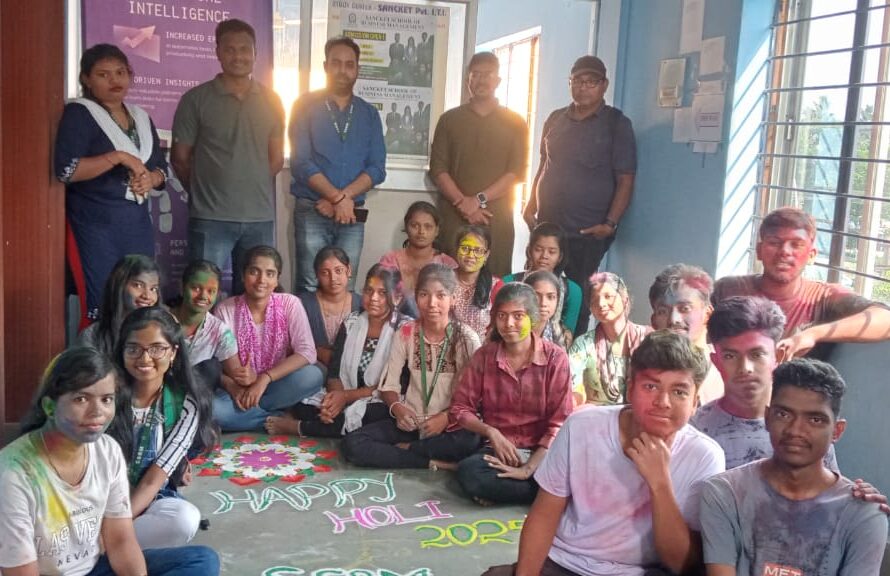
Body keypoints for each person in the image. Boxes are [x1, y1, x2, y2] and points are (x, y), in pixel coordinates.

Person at [484, 330, 725, 576]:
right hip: (564, 563)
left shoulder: (705, 457)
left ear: (695, 402)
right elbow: (544, 516)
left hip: (639, 571)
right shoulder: (583, 427)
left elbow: (680, 563)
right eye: (651, 386)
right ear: (630, 389)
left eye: (679, 392)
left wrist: (660, 483)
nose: (663, 401)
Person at [0, 347, 219, 576]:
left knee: (202, 561)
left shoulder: (107, 450)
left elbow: (120, 541)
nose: (98, 412)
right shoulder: (14, 473)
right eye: (81, 399)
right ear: (49, 407)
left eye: (106, 399)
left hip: (95, 568)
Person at [700, 358, 888, 575]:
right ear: (767, 418)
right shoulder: (724, 493)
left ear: (837, 431)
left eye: (815, 420)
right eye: (784, 414)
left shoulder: (864, 514)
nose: (795, 430)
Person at [523, 55, 636, 335]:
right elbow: (544, 164)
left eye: (590, 82)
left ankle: (570, 348)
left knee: (578, 294)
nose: (583, 87)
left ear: (604, 85)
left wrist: (609, 223)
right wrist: (531, 203)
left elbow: (626, 179)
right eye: (577, 81)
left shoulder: (616, 124)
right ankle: (534, 341)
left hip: (587, 230)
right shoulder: (555, 118)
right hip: (549, 224)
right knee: (538, 285)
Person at [171, 19, 285, 296]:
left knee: (254, 298)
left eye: (245, 49)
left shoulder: (273, 100)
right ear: (218, 53)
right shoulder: (195, 99)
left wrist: (249, 184)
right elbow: (180, 158)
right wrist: (205, 190)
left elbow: (276, 160)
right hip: (210, 218)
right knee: (201, 295)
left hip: (258, 219)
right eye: (230, 49)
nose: (238, 56)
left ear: (255, 53)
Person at [55, 44, 167, 323]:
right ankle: (99, 352)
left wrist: (150, 178)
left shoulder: (141, 117)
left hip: (136, 223)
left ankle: (136, 351)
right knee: (104, 301)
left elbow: (161, 170)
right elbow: (67, 170)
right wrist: (117, 157)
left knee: (142, 299)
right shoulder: (80, 113)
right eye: (103, 74)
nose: (114, 80)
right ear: (86, 79)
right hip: (95, 224)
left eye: (120, 72)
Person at [342, 263, 482, 469]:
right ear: (416, 298)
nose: (432, 303)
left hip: (449, 425)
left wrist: (445, 417)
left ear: (453, 299)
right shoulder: (406, 333)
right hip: (412, 423)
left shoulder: (467, 339)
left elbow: (476, 396)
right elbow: (389, 385)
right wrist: (398, 408)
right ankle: (430, 461)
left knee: (470, 441)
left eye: (441, 295)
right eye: (424, 295)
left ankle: (407, 450)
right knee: (353, 444)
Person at [449, 282, 573, 505]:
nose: (508, 324)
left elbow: (559, 424)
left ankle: (511, 489)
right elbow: (460, 408)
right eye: (502, 316)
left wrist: (528, 469)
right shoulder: (484, 356)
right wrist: (491, 432)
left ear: (533, 318)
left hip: (543, 453)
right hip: (499, 452)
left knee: (574, 471)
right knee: (470, 472)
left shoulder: (555, 358)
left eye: (518, 316)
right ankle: (544, 494)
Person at [712, 207, 890, 360]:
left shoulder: (822, 298)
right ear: (759, 250)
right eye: (774, 243)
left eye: (796, 245)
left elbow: (885, 319)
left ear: (812, 255)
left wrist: (812, 334)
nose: (784, 251)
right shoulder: (728, 290)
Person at [107, 307, 217, 550]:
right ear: (121, 351)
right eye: (133, 349)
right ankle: (112, 547)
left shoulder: (185, 403)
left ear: (173, 352)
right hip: (99, 496)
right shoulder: (106, 393)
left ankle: (105, 546)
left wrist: (117, 526)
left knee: (184, 520)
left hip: (150, 496)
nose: (145, 359)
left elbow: (153, 481)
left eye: (157, 349)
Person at [266, 265, 409, 437]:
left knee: (373, 414)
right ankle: (329, 423)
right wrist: (335, 399)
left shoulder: (405, 329)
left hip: (382, 397)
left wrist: (346, 397)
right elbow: (334, 372)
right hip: (346, 392)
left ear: (397, 298)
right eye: (368, 291)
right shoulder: (351, 322)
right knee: (305, 404)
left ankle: (300, 428)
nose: (374, 298)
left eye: (383, 293)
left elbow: (398, 385)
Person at [290, 36, 386, 292]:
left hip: (352, 214)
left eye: (349, 64)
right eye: (336, 63)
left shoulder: (368, 114)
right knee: (310, 283)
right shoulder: (304, 106)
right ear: (325, 66)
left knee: (345, 286)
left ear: (357, 70)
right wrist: (337, 198)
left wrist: (342, 199)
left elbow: (377, 168)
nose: (343, 70)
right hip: (312, 210)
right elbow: (300, 162)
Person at [430, 51, 529, 276]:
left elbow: (515, 173)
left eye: (488, 74)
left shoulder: (515, 122)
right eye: (476, 74)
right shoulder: (449, 120)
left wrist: (477, 200)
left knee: (493, 281)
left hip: (496, 218)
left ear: (498, 80)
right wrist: (462, 203)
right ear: (468, 80)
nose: (481, 80)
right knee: (449, 279)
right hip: (454, 217)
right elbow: (439, 170)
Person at [213, 246, 324, 431]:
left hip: (276, 384)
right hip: (239, 390)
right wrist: (242, 382)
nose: (261, 280)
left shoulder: (290, 303)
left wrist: (264, 378)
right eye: (254, 272)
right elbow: (225, 366)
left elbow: (307, 352)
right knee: (213, 410)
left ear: (277, 279)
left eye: (270, 274)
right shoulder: (225, 310)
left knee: (313, 375)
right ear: (243, 275)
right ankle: (279, 418)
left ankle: (245, 416)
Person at [569, 272, 651, 406]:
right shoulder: (583, 344)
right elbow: (572, 386)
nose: (601, 304)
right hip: (597, 415)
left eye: (608, 296)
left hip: (640, 413)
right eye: (594, 300)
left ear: (625, 299)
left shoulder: (648, 339)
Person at [649, 263, 724, 404]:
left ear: (707, 314)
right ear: (653, 321)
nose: (674, 320)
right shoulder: (645, 374)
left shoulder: (727, 372)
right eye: (663, 311)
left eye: (684, 308)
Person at [170, 260, 242, 391]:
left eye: (211, 291)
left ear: (217, 294)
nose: (203, 296)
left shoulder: (220, 331)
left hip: (196, 395)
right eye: (196, 288)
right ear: (182, 288)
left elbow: (237, 374)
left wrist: (248, 377)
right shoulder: (160, 321)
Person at [504, 222, 582, 334]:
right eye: (538, 249)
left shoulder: (573, 291)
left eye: (552, 252)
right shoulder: (508, 283)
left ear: (560, 257)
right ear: (529, 251)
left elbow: (567, 335)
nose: (544, 256)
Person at [78, 254, 161, 356]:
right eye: (138, 285)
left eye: (153, 289)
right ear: (119, 286)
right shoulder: (92, 336)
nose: (147, 296)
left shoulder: (163, 332)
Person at [298, 247, 362, 369]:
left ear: (348, 271)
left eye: (338, 271)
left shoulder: (362, 304)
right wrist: (318, 352)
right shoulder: (302, 304)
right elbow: (290, 345)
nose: (333, 278)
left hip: (351, 369)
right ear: (317, 275)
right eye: (325, 273)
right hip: (312, 368)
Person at [378, 201, 457, 293]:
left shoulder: (446, 263)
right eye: (415, 226)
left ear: (437, 231)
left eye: (428, 226)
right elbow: (380, 294)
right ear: (406, 227)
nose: (421, 231)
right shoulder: (390, 260)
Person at [451, 225, 503, 339]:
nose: (470, 255)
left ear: (486, 255)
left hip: (482, 348)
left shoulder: (495, 286)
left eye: (478, 251)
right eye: (465, 248)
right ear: (456, 249)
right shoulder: (444, 280)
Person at [523, 271, 574, 349]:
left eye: (550, 297)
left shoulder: (563, 336)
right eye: (536, 296)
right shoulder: (511, 330)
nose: (543, 303)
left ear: (557, 301)